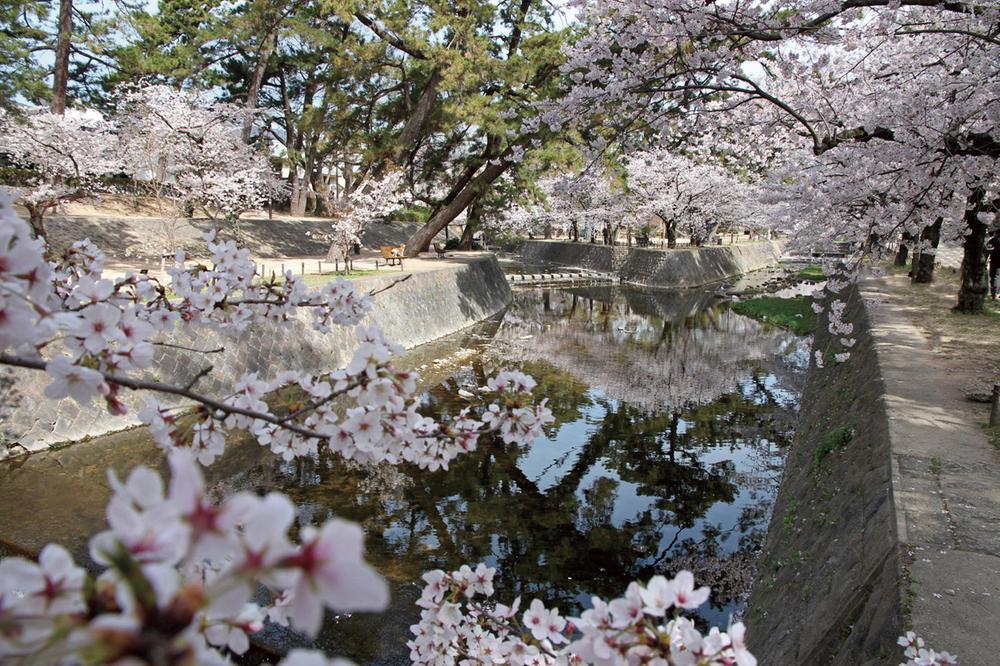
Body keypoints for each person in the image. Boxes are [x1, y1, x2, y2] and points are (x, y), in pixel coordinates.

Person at [989, 227, 1000, 300]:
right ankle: (997, 293)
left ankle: (994, 294)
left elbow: (988, 247)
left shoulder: (995, 239)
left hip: (995, 261)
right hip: (996, 261)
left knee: (994, 277)